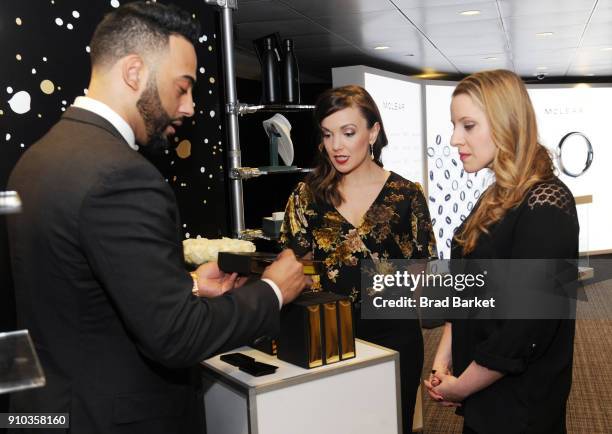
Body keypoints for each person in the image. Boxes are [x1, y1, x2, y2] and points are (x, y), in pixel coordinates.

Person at [6, 3, 307, 433]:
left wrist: (186, 285)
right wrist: (275, 290)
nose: (189, 108)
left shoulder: (35, 161)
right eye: (182, 87)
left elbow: (79, 295)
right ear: (135, 73)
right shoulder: (122, 176)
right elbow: (177, 337)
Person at [424, 69, 579, 433]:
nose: (454, 138)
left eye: (468, 125)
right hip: (482, 391)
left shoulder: (546, 201)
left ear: (506, 123)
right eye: (454, 125)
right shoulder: (497, 195)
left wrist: (460, 387)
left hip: (519, 406)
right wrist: (443, 360)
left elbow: (525, 326)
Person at [280, 85, 437, 434]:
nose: (336, 146)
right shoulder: (307, 196)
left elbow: (420, 276)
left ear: (373, 132)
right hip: (327, 341)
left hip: (394, 338)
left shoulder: (406, 195)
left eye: (348, 133)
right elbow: (294, 270)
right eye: (327, 134)